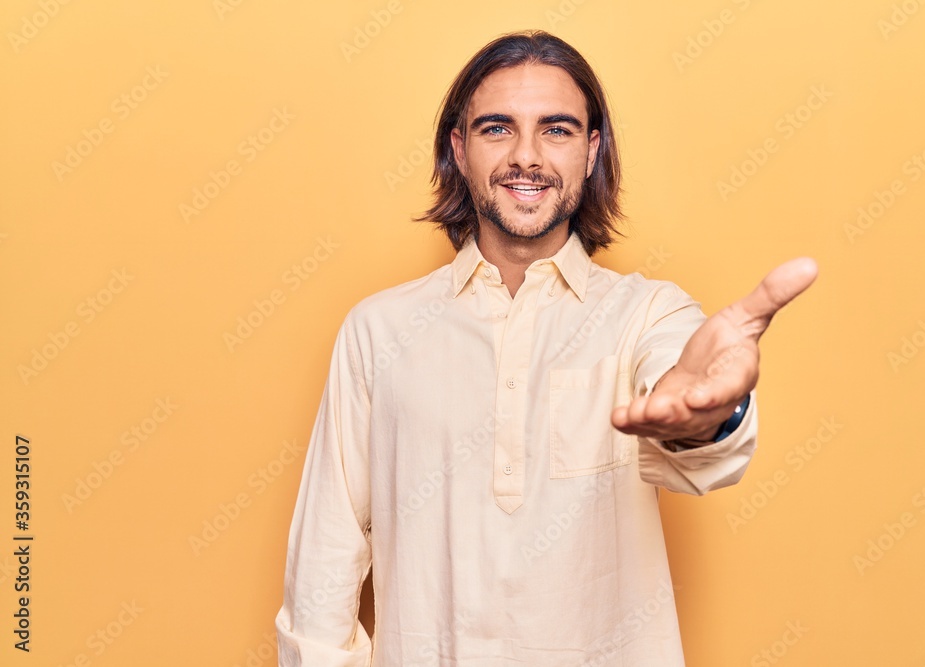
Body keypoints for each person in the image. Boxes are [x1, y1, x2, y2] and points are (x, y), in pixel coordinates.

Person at [275, 29, 817, 666]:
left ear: (591, 152)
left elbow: (690, 407)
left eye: (556, 130)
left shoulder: (648, 314)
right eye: (497, 128)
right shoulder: (378, 330)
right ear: (460, 149)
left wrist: (708, 415)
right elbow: (325, 561)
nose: (526, 156)